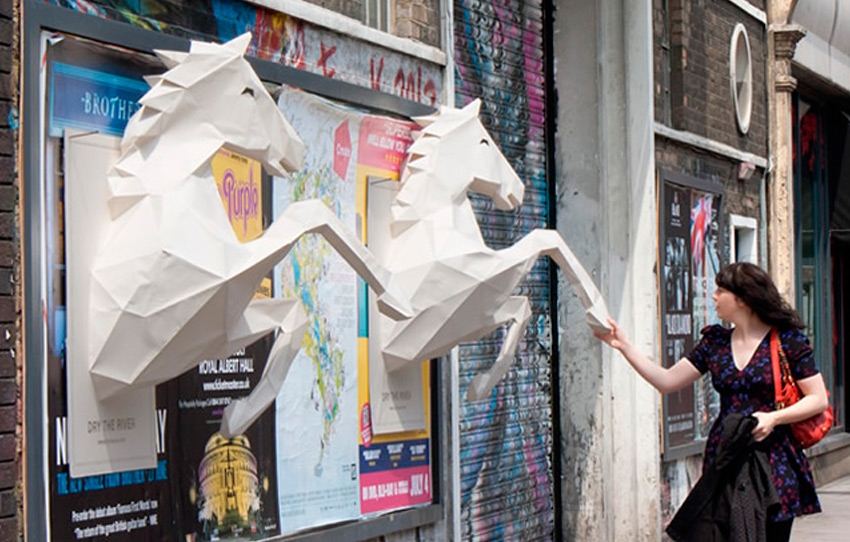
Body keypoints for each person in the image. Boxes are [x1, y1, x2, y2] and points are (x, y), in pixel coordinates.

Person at [595, 262, 829, 541]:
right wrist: (624, 346)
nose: (714, 296)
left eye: (720, 290)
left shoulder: (787, 341)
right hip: (726, 453)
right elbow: (666, 381)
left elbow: (818, 400)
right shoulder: (714, 343)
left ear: (743, 298)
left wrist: (773, 418)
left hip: (774, 459)